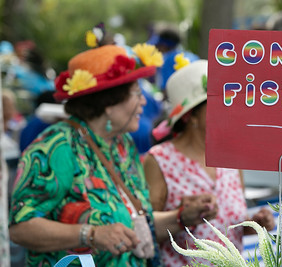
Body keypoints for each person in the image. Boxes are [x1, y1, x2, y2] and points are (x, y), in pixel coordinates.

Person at [8, 44, 217, 267]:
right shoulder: (57, 147)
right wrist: (89, 234)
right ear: (109, 103)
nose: (144, 102)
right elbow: (21, 229)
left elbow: (134, 223)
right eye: (137, 94)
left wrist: (182, 217)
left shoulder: (122, 145)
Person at [143, 59, 275, 266]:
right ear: (191, 116)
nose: (228, 111)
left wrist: (255, 224)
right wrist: (181, 217)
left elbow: (231, 227)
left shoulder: (230, 157)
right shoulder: (159, 161)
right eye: (218, 104)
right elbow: (145, 231)